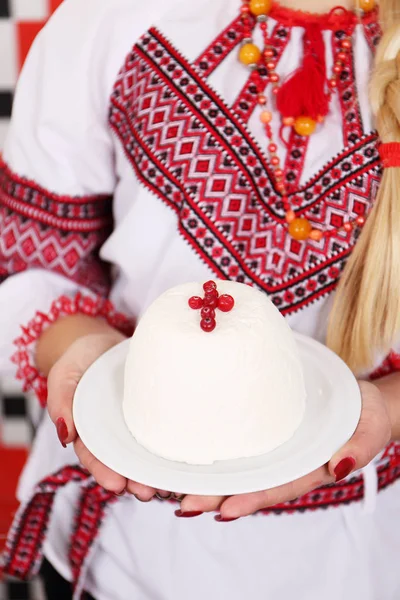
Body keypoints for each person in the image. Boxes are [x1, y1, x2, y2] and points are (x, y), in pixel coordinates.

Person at [1, 0, 400, 598]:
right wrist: (86, 353)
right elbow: (35, 262)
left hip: (365, 556)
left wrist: (389, 409)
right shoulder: (110, 20)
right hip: (129, 557)